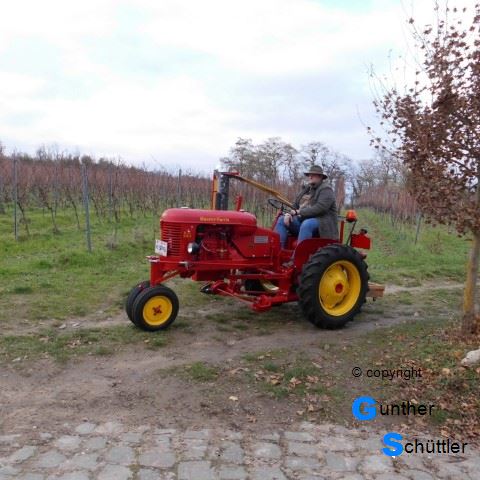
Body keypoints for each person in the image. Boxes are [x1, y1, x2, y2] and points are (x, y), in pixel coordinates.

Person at [274, 164, 338, 249]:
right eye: (309, 175)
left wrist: (298, 212)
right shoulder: (307, 189)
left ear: (320, 177)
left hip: (323, 224)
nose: (310, 177)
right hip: (304, 220)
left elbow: (320, 208)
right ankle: (278, 251)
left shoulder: (326, 189)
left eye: (313, 175)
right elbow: (295, 205)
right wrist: (288, 214)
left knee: (307, 224)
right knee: (282, 219)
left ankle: (299, 255)